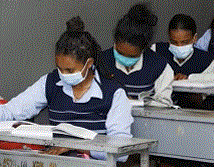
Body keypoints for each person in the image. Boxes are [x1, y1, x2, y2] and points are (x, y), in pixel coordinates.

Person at [0, 16, 133, 162]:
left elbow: (121, 152)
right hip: (56, 161)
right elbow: (11, 111)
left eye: (70, 71)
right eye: (60, 69)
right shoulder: (50, 82)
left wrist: (74, 146)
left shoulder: (113, 93)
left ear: (89, 63)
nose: (63, 75)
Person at [102, 3, 174, 107]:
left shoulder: (159, 65)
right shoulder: (102, 62)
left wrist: (138, 103)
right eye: (119, 53)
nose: (124, 59)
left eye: (132, 56)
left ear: (143, 49)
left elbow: (164, 104)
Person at [150, 14, 213, 108]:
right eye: (174, 42)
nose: (179, 46)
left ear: (194, 38)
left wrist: (189, 83)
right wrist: (167, 79)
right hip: (158, 107)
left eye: (184, 42)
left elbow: (204, 98)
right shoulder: (156, 51)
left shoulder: (205, 60)